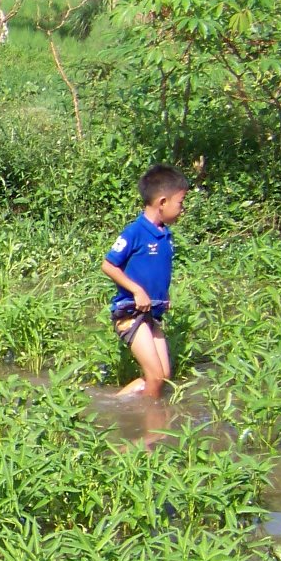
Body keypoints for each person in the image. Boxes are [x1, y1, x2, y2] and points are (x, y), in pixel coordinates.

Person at [102, 164, 189, 399]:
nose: (183, 209)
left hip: (151, 314)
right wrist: (137, 291)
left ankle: (113, 404)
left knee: (163, 375)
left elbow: (156, 271)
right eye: (180, 203)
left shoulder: (165, 234)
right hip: (130, 313)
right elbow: (108, 265)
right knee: (155, 376)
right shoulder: (135, 232)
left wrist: (163, 296)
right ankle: (149, 428)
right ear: (162, 202)